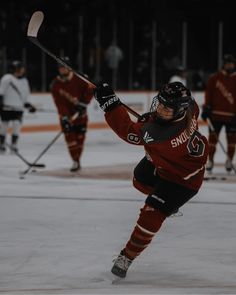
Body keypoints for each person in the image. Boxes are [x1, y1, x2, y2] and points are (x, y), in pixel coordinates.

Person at [94, 81, 208, 278]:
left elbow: (127, 130)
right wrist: (152, 118)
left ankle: (127, 257)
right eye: (160, 103)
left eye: (166, 107)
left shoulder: (160, 134)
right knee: (140, 179)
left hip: (183, 180)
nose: (160, 108)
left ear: (179, 110)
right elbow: (161, 120)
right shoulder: (190, 108)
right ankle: (168, 205)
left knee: (151, 212)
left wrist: (110, 104)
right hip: (172, 163)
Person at [50, 57, 95, 172]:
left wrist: (84, 103)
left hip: (81, 116)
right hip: (67, 118)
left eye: (64, 66)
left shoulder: (80, 78)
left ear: (69, 68)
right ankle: (75, 161)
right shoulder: (55, 85)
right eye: (60, 67)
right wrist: (65, 116)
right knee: (71, 140)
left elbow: (91, 89)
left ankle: (77, 160)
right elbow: (59, 103)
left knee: (80, 139)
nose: (62, 69)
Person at [201, 54, 236, 172]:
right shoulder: (214, 78)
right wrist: (206, 108)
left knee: (232, 141)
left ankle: (229, 160)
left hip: (232, 116)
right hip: (215, 115)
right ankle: (210, 160)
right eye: (227, 63)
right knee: (212, 141)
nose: (229, 65)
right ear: (224, 64)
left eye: (231, 63)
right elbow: (208, 94)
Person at [0, 60, 36, 153]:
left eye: (21, 69)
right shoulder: (7, 78)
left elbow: (25, 96)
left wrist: (28, 105)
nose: (21, 71)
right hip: (6, 108)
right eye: (19, 69)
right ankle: (1, 144)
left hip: (18, 108)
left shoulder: (24, 81)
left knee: (16, 125)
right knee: (4, 126)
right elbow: (1, 92)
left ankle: (14, 144)